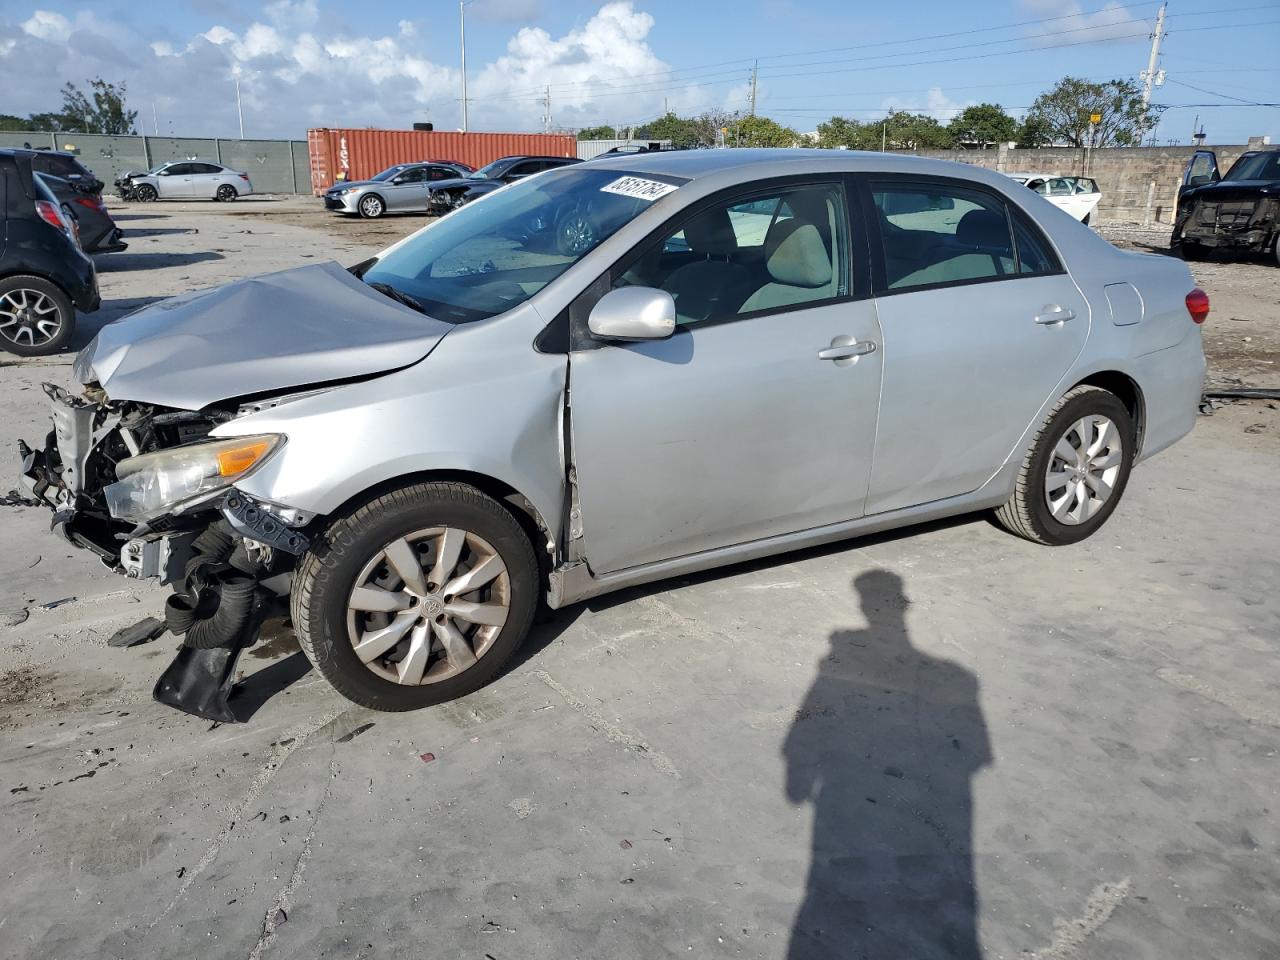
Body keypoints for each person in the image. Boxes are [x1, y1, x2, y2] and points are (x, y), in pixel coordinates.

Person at [784, 569, 991, 959]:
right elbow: (977, 758)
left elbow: (975, 756)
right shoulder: (957, 678)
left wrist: (800, 772)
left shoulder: (955, 678)